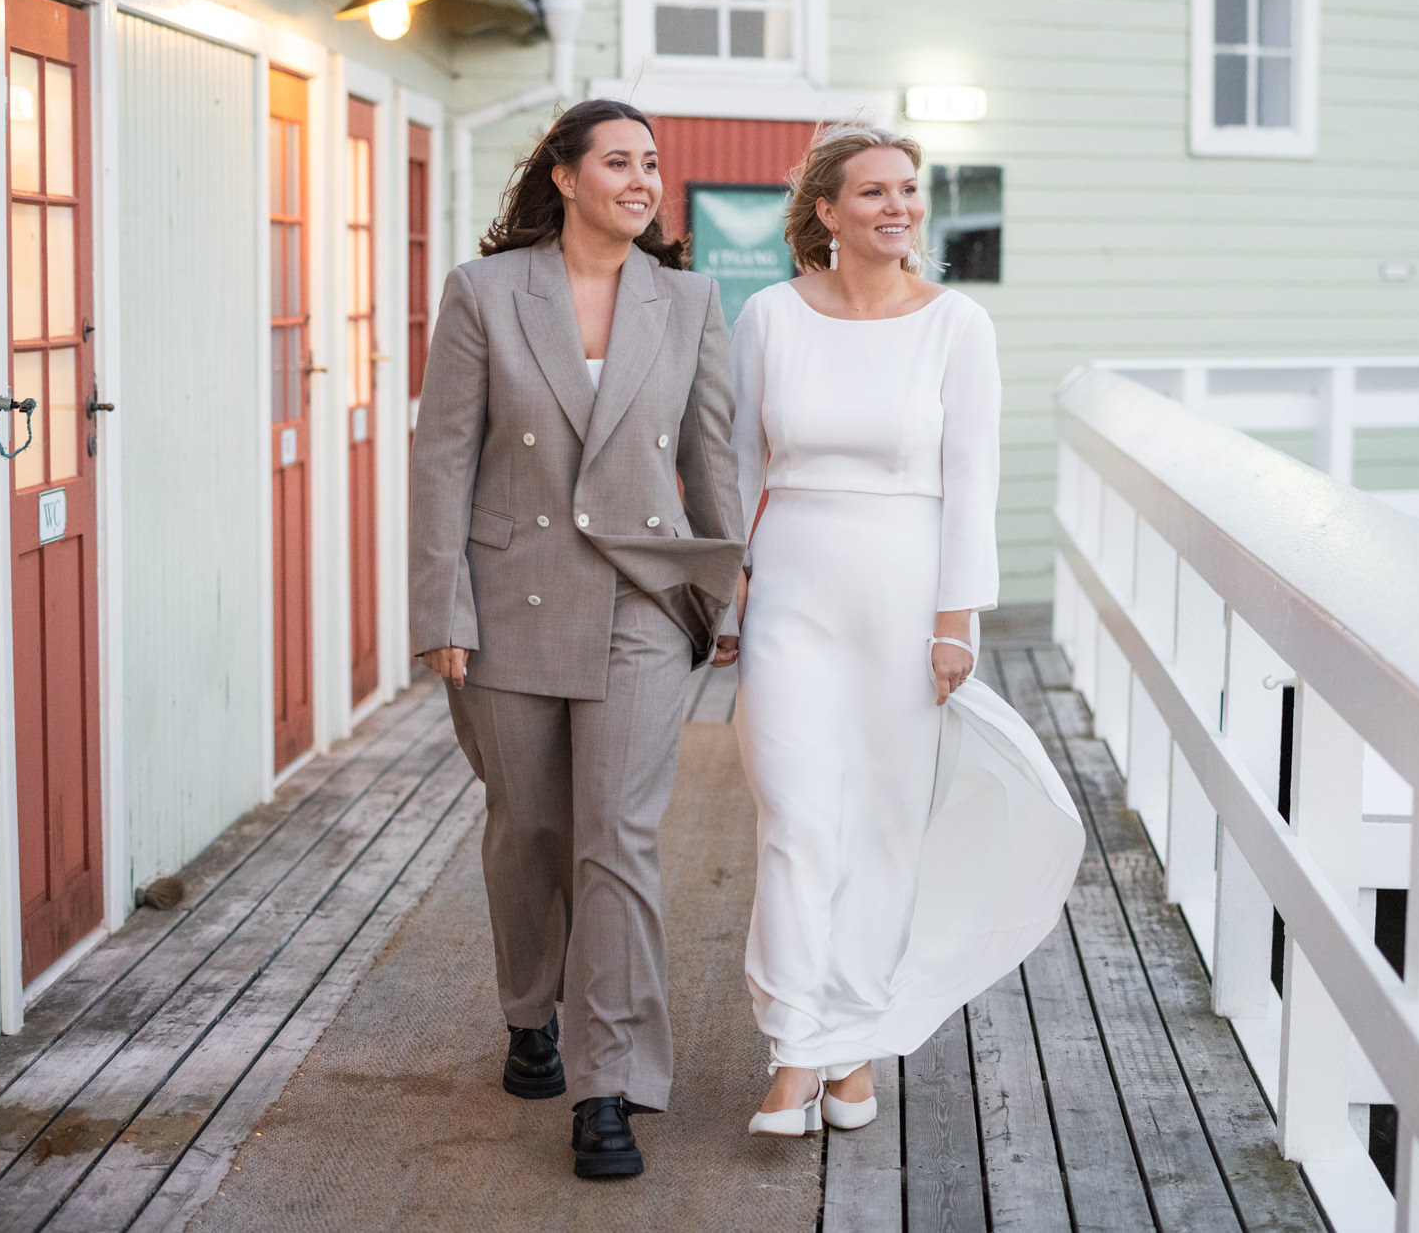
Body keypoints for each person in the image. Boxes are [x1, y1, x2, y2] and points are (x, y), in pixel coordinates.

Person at [722, 124, 1084, 1136]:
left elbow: (973, 480)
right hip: (792, 587)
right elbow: (739, 465)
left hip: (905, 588)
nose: (899, 207)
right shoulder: (767, 316)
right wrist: (727, 594)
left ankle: (849, 1053)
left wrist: (954, 621)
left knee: (883, 826)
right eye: (873, 190)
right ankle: (795, 1050)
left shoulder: (956, 325)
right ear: (827, 210)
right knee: (795, 817)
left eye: (909, 191)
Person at [410, 99, 746, 1178]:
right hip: (511, 601)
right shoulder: (485, 292)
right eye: (619, 161)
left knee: (617, 840)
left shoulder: (689, 299)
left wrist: (725, 593)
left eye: (653, 162)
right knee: (532, 829)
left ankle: (610, 1087)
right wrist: (441, 610)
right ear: (564, 175)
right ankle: (528, 1011)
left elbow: (713, 459)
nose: (644, 179)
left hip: (643, 602)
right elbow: (440, 463)